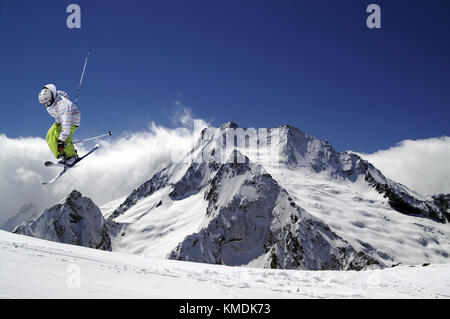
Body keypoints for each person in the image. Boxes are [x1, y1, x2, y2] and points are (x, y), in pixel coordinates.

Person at [38, 84, 81, 166]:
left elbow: (66, 126)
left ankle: (71, 156)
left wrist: (61, 141)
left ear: (52, 97)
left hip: (72, 120)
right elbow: (62, 93)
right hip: (60, 120)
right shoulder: (52, 97)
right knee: (49, 135)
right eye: (44, 103)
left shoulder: (62, 106)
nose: (47, 104)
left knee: (60, 134)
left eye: (48, 102)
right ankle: (60, 156)